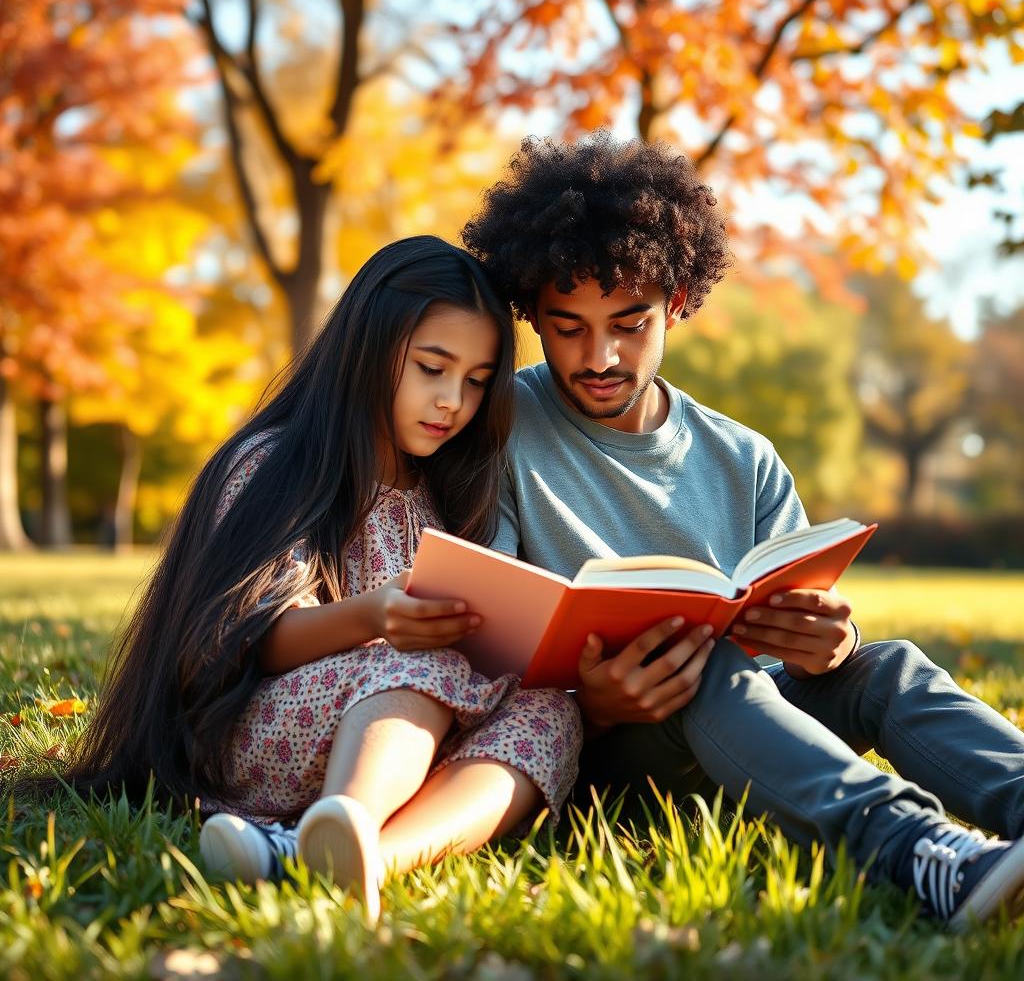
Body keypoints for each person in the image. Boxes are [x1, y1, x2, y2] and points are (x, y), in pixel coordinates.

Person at [461, 135, 1024, 931]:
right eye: (568, 328)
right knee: (700, 662)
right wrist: (594, 703)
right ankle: (915, 849)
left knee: (882, 667)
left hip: (749, 744)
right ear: (532, 316)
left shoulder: (742, 456)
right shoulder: (500, 432)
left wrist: (829, 642)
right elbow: (482, 652)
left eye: (629, 324)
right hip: (595, 761)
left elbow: (804, 634)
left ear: (679, 301)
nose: (600, 357)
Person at [56, 236, 582, 924]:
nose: (453, 401)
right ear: (369, 346)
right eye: (432, 368)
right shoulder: (276, 464)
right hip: (259, 729)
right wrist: (375, 619)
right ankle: (349, 816)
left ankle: (344, 857)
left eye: (478, 381)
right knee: (417, 657)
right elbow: (234, 642)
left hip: (408, 732)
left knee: (554, 711)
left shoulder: (443, 491)